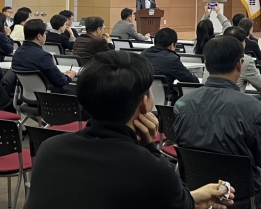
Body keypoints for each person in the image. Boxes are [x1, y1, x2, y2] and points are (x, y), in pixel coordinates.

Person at [25, 50, 235, 209]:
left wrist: (190, 198)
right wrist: (149, 148)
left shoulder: (50, 150)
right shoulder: (150, 169)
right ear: (144, 104)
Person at [174, 36, 261, 208]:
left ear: (206, 64)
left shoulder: (182, 104)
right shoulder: (252, 108)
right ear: (239, 65)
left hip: (197, 190)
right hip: (244, 194)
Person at [11, 19, 76, 93]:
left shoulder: (17, 53)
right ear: (39, 36)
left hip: (26, 94)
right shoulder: (43, 56)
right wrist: (69, 76)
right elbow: (61, 81)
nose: (45, 35)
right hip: (48, 95)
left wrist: (61, 75)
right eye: (44, 33)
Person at [141, 28, 199, 103]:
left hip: (142, 102)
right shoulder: (172, 59)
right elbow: (193, 81)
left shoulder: (142, 55)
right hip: (165, 105)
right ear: (171, 45)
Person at [221, 26, 261, 93]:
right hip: (234, 98)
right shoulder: (245, 60)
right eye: (244, 40)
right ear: (241, 43)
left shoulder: (212, 56)